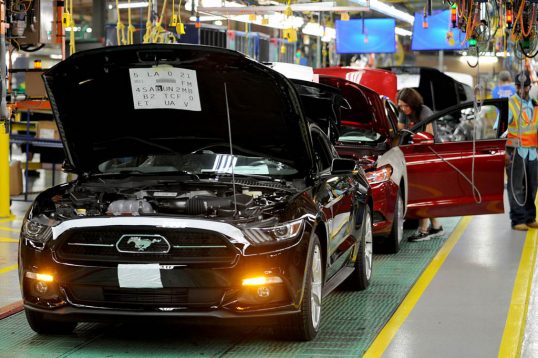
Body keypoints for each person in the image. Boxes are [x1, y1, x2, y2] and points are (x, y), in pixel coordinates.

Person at [396, 88, 443, 242]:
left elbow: (428, 137)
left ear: (412, 103)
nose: (403, 109)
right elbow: (399, 132)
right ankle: (436, 227)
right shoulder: (404, 112)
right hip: (415, 153)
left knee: (424, 192)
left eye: (405, 106)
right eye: (400, 106)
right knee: (423, 191)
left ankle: (423, 229)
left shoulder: (424, 112)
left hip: (431, 153)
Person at [505, 71, 538, 231]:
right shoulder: (510, 103)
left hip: (532, 151)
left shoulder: (535, 103)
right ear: (516, 87)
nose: (523, 90)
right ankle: (518, 219)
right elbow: (501, 128)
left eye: (526, 87)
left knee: (532, 186)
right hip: (515, 151)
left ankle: (530, 217)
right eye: (520, 86)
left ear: (530, 87)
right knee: (516, 186)